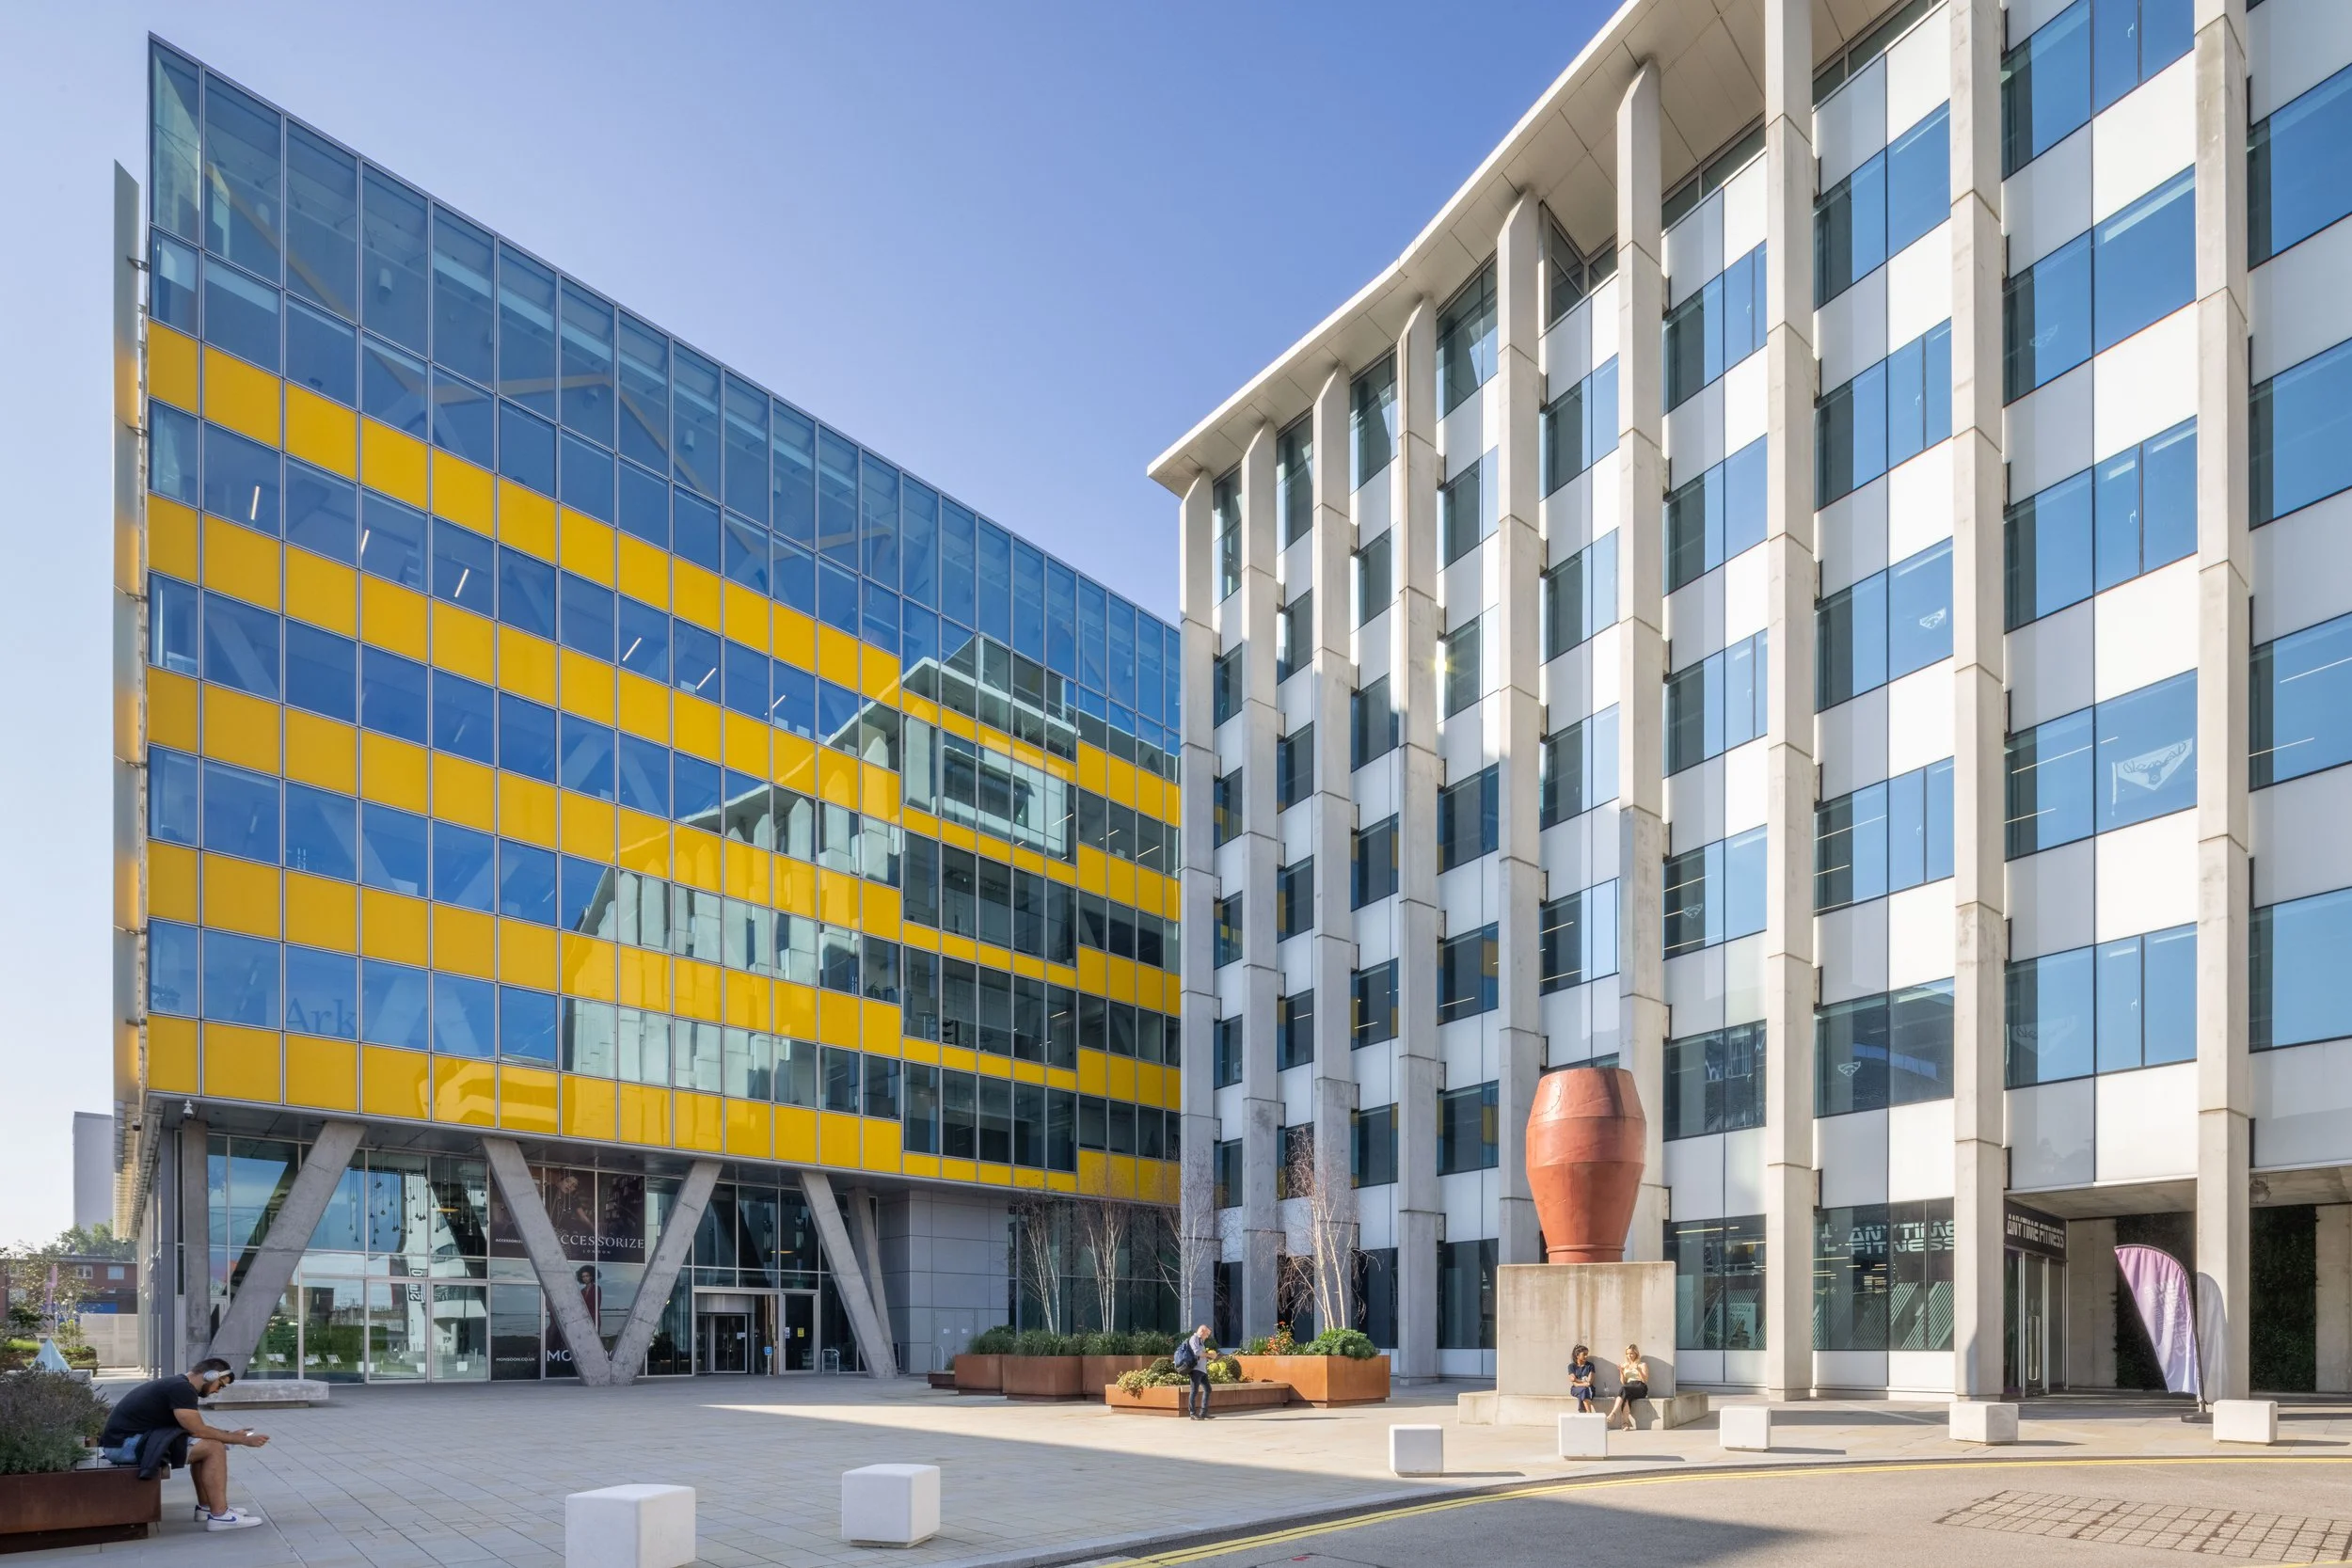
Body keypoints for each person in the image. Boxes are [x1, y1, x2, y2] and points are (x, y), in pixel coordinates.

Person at [98, 1357, 271, 1530]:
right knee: (213, 1447)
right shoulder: (181, 1388)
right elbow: (197, 1430)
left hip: (125, 1442)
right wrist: (243, 1440)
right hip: (123, 1447)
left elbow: (195, 1429)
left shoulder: (178, 1385)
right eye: (220, 1385)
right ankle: (221, 1516)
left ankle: (207, 1508)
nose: (218, 1391)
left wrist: (229, 1435)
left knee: (207, 1445)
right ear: (210, 1376)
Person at [1173, 1324, 1216, 1419]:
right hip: (1196, 1370)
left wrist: (1210, 1357)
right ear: (1202, 1331)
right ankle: (1192, 1413)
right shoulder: (1194, 1339)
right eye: (1207, 1334)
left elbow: (1200, 1355)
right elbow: (1197, 1352)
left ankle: (1203, 1413)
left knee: (1208, 1389)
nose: (1208, 1336)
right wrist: (1209, 1355)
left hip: (1202, 1370)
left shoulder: (1201, 1341)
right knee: (1194, 1391)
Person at [1608, 1342, 1651, 1431]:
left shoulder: (1642, 1364)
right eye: (1627, 1353)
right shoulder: (1625, 1365)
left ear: (1636, 1353)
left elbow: (1645, 1381)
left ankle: (1613, 1414)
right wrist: (1621, 1371)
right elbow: (1623, 1382)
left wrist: (1639, 1370)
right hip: (1628, 1387)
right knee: (1626, 1399)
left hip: (1640, 1387)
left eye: (1631, 1353)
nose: (1629, 1355)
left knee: (1624, 1390)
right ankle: (1625, 1424)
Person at [1567, 1344, 1598, 1414]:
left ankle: (1584, 1412)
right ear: (1577, 1356)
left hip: (1589, 1389)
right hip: (1576, 1389)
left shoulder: (1590, 1365)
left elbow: (1590, 1382)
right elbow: (1573, 1381)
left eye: (1587, 1354)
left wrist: (1577, 1380)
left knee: (1584, 1390)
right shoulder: (1571, 1366)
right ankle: (1589, 1413)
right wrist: (1584, 1383)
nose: (1586, 1356)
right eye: (1584, 1354)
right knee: (1584, 1389)